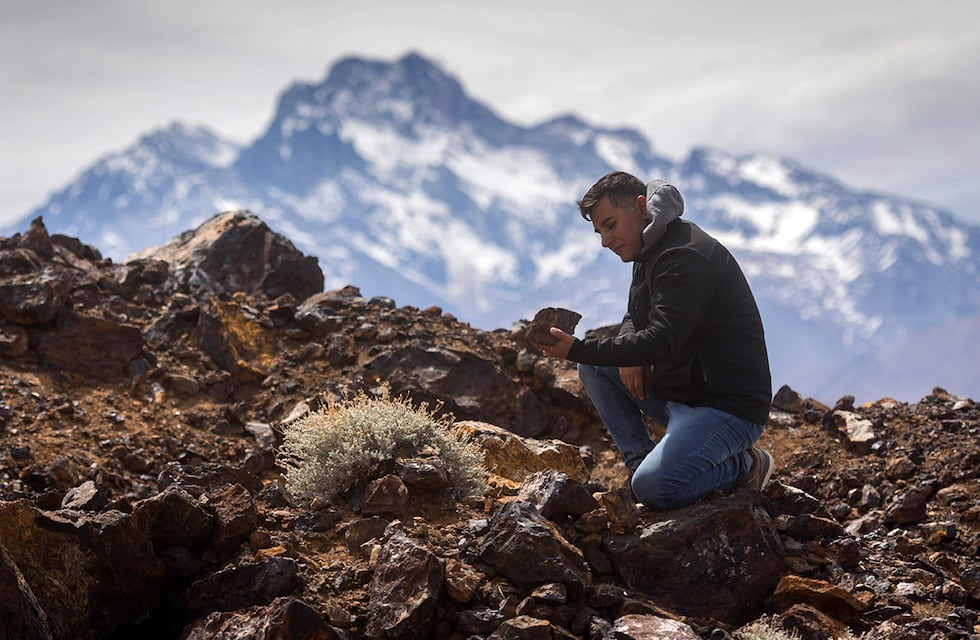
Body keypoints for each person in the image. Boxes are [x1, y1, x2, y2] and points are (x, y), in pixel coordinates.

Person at [531, 171, 773, 510]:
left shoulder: (685, 255)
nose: (605, 240)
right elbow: (637, 312)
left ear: (641, 206)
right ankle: (639, 465)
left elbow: (663, 339)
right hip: (682, 393)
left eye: (611, 225)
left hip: (726, 408)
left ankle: (746, 465)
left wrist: (577, 349)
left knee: (657, 489)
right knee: (595, 369)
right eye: (600, 231)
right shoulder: (649, 246)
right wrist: (630, 349)